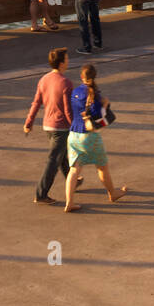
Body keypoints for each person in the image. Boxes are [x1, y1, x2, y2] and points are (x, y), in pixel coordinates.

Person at [23, 47, 83, 205]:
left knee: (61, 155)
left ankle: (73, 180)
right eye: (67, 59)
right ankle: (41, 194)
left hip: (48, 126)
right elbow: (68, 110)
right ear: (62, 63)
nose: (68, 61)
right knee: (53, 160)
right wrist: (76, 127)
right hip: (61, 127)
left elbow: (36, 103)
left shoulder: (44, 79)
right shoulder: (66, 83)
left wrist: (28, 122)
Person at [64, 63, 126, 212]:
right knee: (102, 167)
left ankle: (69, 202)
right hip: (89, 137)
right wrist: (105, 104)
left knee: (74, 170)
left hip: (73, 135)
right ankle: (113, 193)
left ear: (81, 77)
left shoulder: (75, 92)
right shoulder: (94, 95)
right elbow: (99, 117)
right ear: (95, 76)